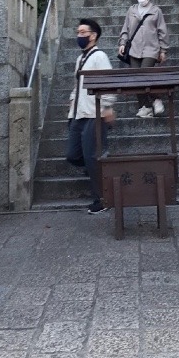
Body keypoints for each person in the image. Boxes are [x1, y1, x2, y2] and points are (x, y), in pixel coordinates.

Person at [66, 18, 116, 214]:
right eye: (78, 32)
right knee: (73, 154)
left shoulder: (99, 56)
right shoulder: (80, 59)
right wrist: (71, 103)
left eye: (82, 32)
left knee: (92, 156)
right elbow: (76, 85)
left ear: (93, 35)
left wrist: (107, 106)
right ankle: (98, 169)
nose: (79, 36)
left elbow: (109, 83)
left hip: (94, 114)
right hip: (78, 113)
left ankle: (102, 199)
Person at [118, 0, 169, 118]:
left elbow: (162, 31)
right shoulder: (132, 10)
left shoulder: (156, 11)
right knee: (136, 79)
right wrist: (122, 43)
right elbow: (126, 28)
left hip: (151, 49)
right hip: (134, 49)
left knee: (145, 75)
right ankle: (144, 107)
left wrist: (163, 50)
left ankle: (156, 99)